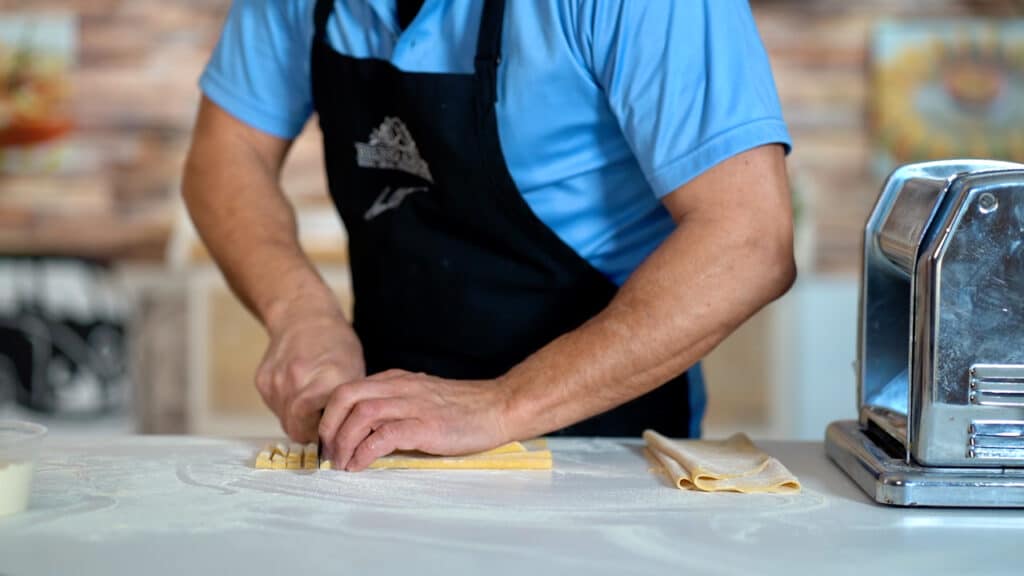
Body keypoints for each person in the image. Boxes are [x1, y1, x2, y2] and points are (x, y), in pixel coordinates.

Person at [183, 0, 796, 472]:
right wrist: (300, 314)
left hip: (605, 455)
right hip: (380, 450)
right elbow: (226, 152)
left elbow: (748, 237)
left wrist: (504, 404)